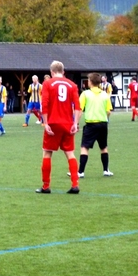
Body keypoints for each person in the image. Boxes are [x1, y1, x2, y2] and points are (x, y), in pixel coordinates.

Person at [36, 60, 82, 194]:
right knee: (70, 153)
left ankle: (46, 186)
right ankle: (75, 184)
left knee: (47, 152)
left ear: (51, 72)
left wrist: (45, 123)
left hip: (53, 122)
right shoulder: (72, 85)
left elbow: (44, 104)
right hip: (68, 124)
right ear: (63, 72)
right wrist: (75, 123)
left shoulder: (48, 83)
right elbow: (78, 107)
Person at [75, 72, 113, 178]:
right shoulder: (105, 95)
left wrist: (76, 123)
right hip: (103, 124)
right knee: (104, 147)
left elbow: (80, 110)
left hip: (91, 124)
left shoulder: (85, 94)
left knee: (84, 147)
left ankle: (81, 172)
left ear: (90, 82)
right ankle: (106, 170)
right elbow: (109, 111)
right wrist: (105, 118)